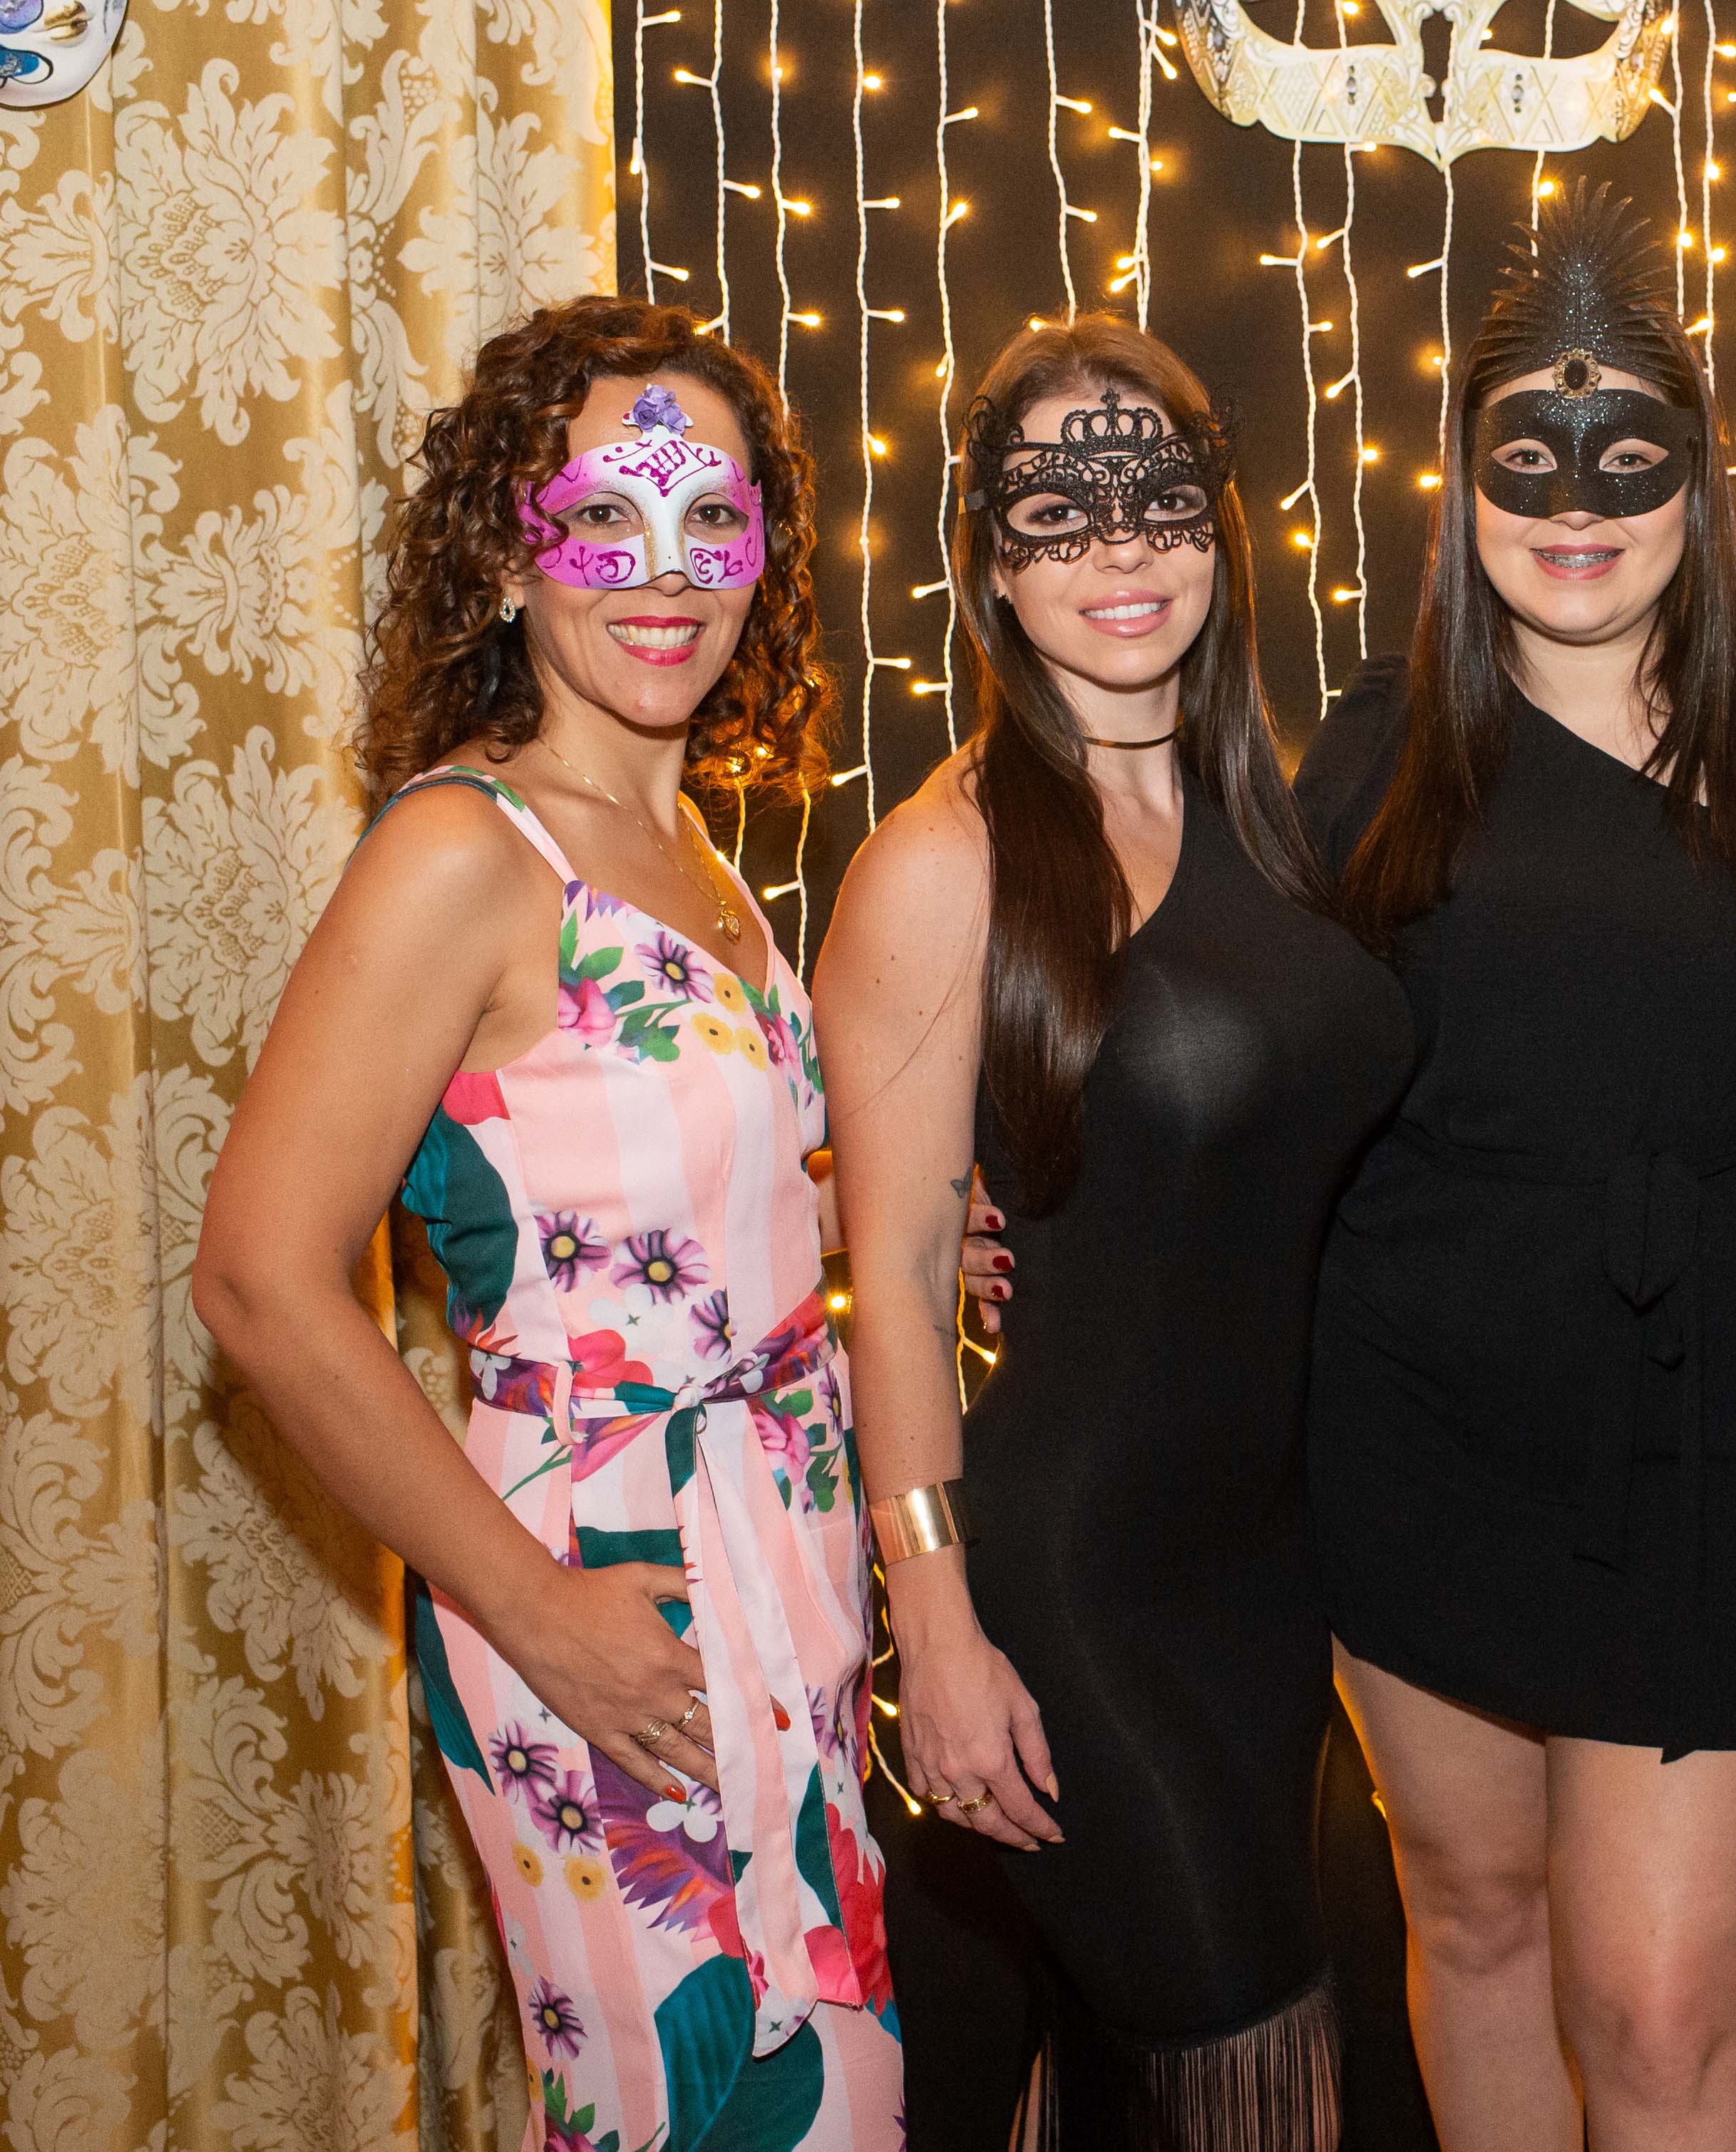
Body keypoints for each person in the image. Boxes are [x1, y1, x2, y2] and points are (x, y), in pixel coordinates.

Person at [197, 297, 903, 2148]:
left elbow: (670, 1212)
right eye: (607, 517)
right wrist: (536, 1614)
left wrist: (911, 1217)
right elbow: (260, 1279)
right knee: (711, 2104)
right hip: (608, 1588)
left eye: (713, 518)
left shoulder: (698, 852)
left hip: (780, 1579)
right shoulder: (466, 850)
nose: (665, 570)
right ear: (511, 553)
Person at [1296, 180, 1736, 2151]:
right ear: (1458, 483)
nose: (1577, 500)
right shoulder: (1364, 762)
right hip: (1421, 1419)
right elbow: (1234, 1054)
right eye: (1524, 455)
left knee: (1662, 2014)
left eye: (1628, 454)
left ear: (1701, 483)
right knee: (1475, 1916)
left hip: (1725, 1439)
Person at [817, 315, 1412, 2150]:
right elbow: (898, 1283)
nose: (1117, 550)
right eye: (1057, 515)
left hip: (1281, 1583)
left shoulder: (1266, 818)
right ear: (991, 568)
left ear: (1219, 529)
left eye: (1155, 502)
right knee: (1256, 2080)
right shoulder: (948, 860)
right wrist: (937, 1626)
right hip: (1077, 1588)